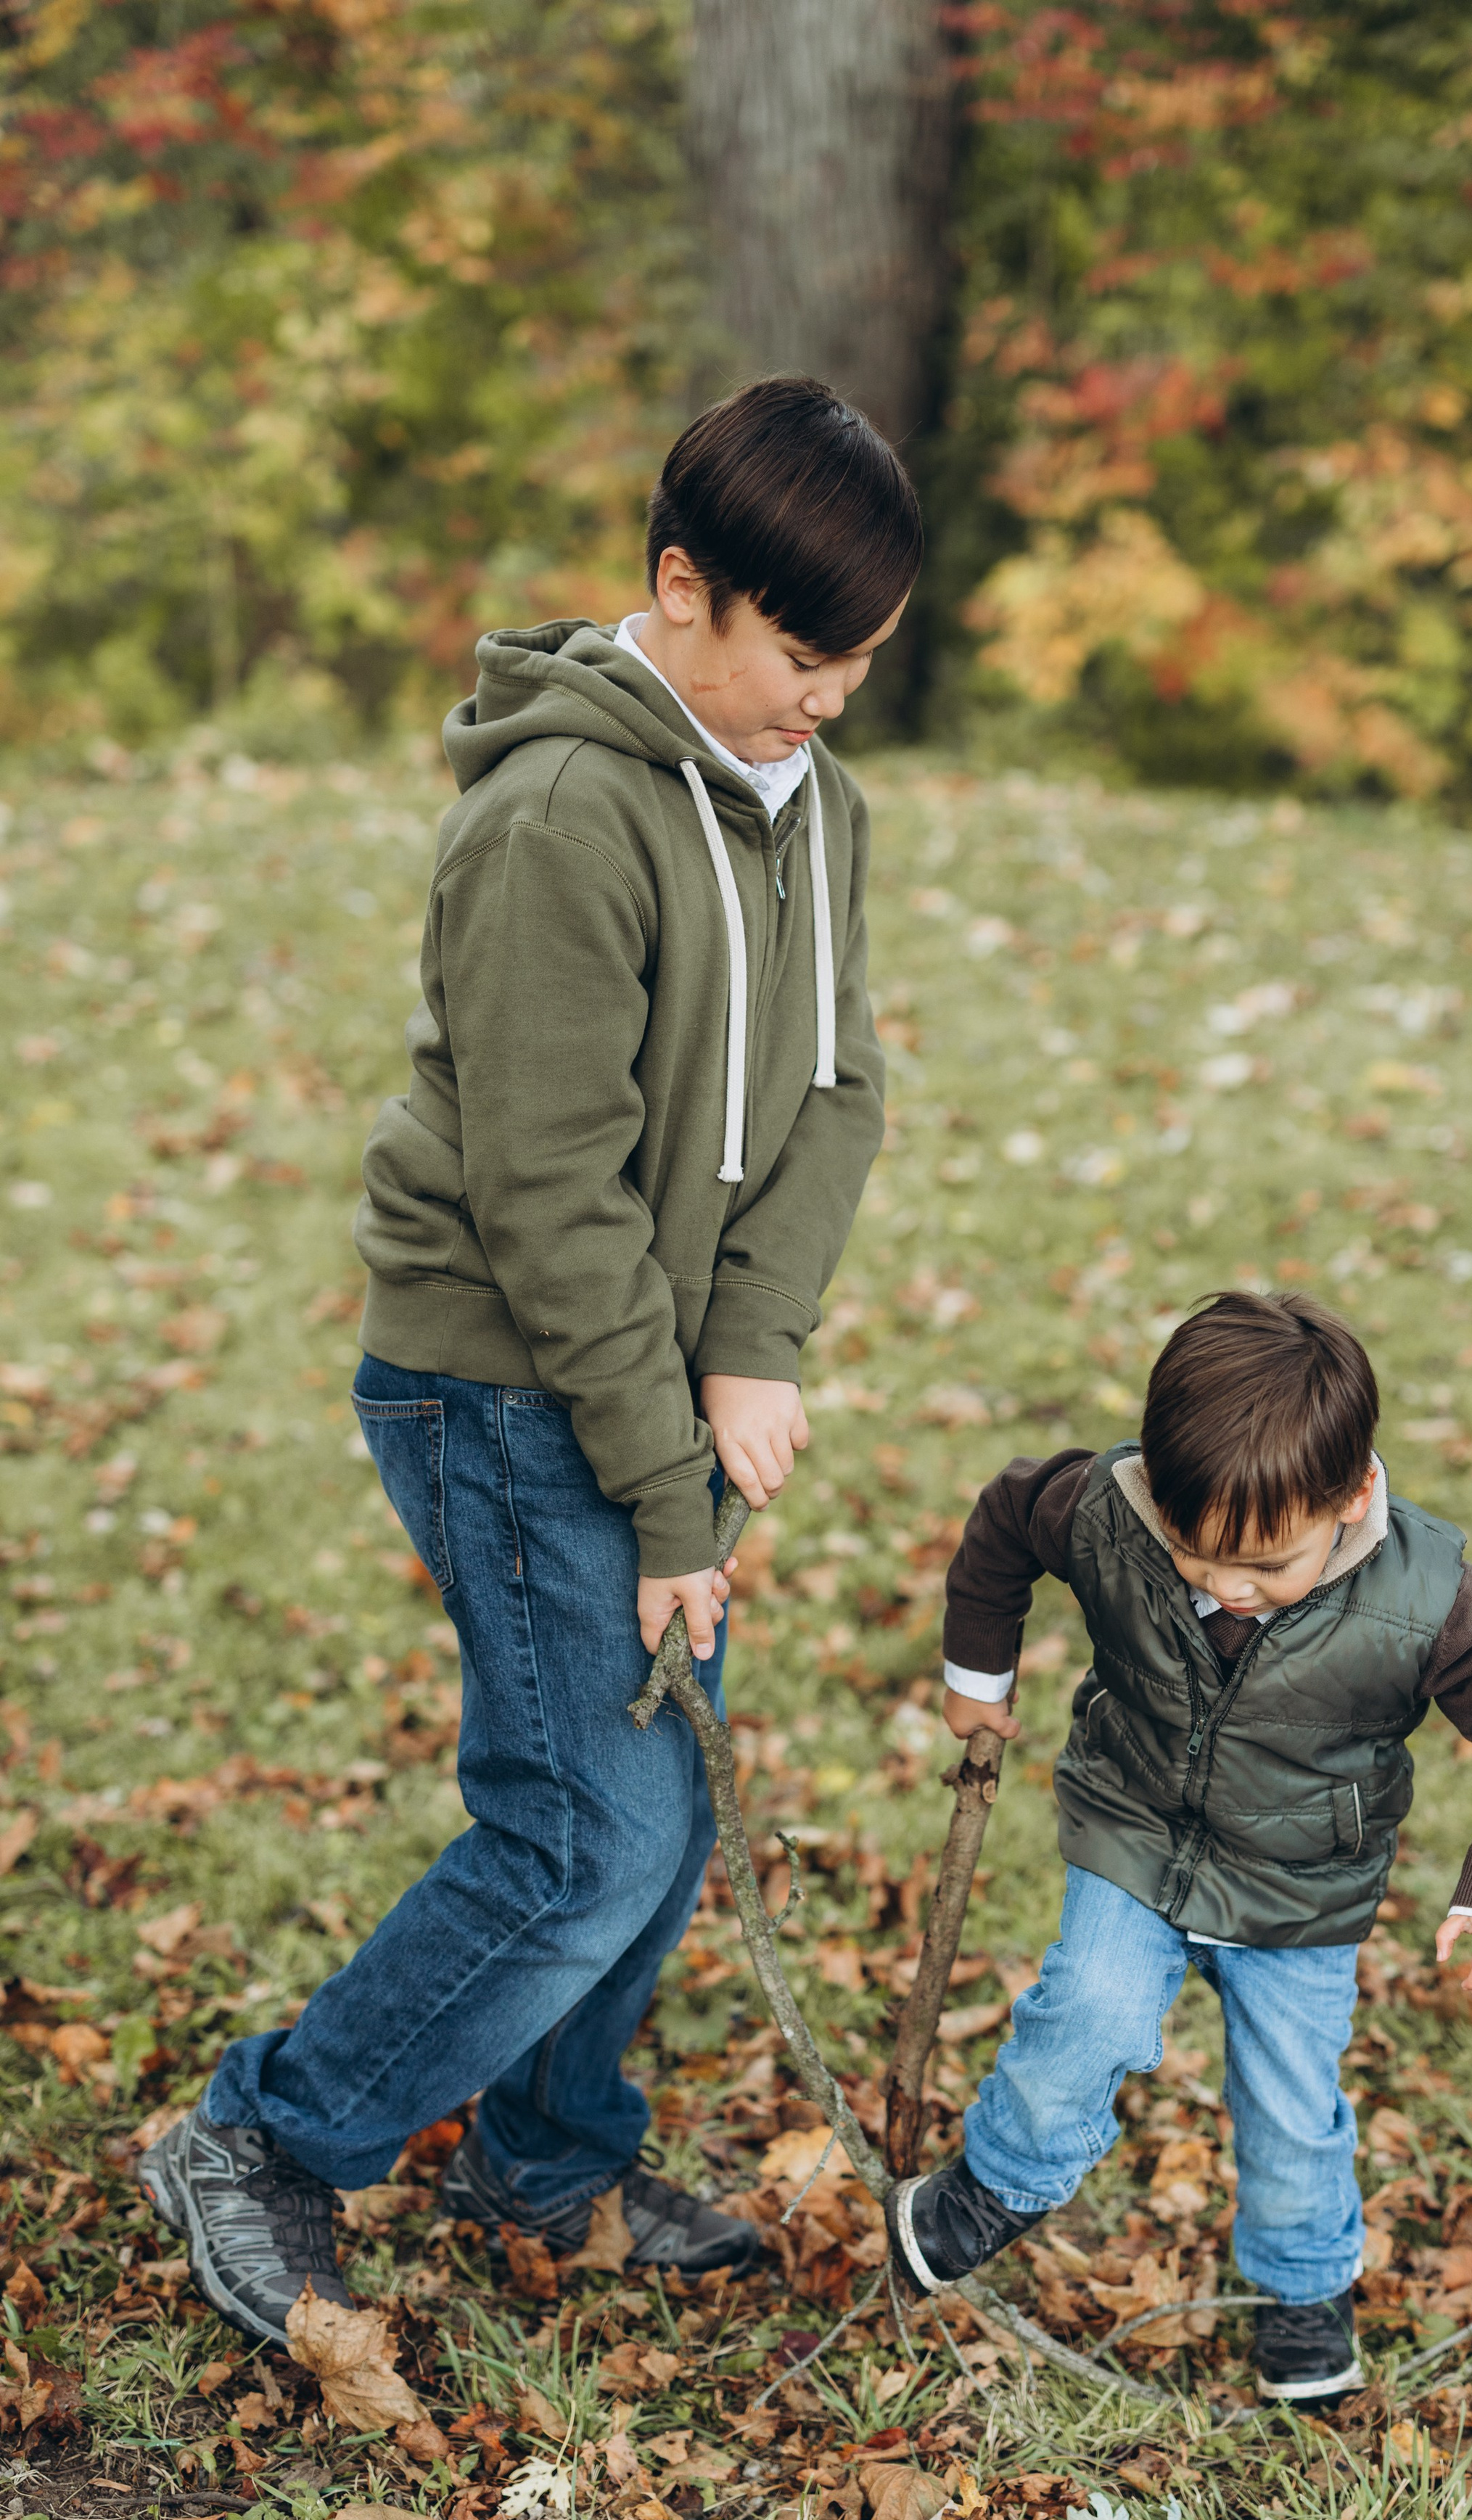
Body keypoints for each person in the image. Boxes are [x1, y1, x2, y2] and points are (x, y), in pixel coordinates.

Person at [143, 376, 916, 2344]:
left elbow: (837, 1085)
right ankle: (266, 2136)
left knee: (660, 1798)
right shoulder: (560, 818)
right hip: (504, 1375)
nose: (830, 700)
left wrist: (751, 1353)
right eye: (803, 655)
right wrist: (667, 1480)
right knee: (591, 1827)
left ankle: (546, 2156)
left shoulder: (814, 804)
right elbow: (550, 1194)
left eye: (862, 665)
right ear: (686, 587)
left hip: (664, 1371)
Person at [887, 1290, 1472, 2410]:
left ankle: (1304, 2296)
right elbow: (1007, 1519)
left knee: (1291, 2106)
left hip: (1301, 1895)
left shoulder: (1423, 1600)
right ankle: (995, 2186)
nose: (1223, 1584)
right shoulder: (1109, 1513)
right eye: (1192, 1547)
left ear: (1353, 1496)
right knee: (1094, 2008)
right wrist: (979, 1676)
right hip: (1136, 1835)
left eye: (1266, 1563)